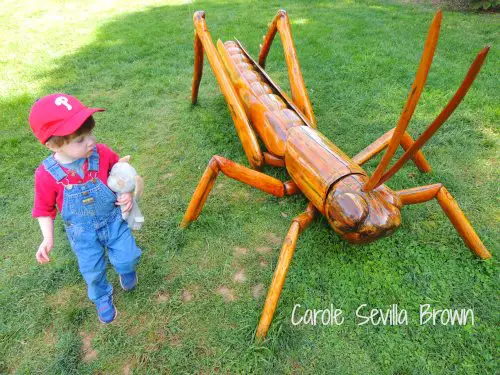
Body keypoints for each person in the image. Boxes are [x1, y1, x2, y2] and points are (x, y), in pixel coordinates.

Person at [29, 93, 142, 324]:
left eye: (89, 133)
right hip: (82, 234)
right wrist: (47, 238)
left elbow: (121, 172)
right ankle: (101, 297)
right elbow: (43, 208)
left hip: (113, 220)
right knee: (92, 271)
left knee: (127, 257)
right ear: (52, 144)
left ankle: (126, 268)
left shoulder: (101, 153)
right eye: (80, 139)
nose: (90, 141)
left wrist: (127, 192)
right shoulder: (46, 174)